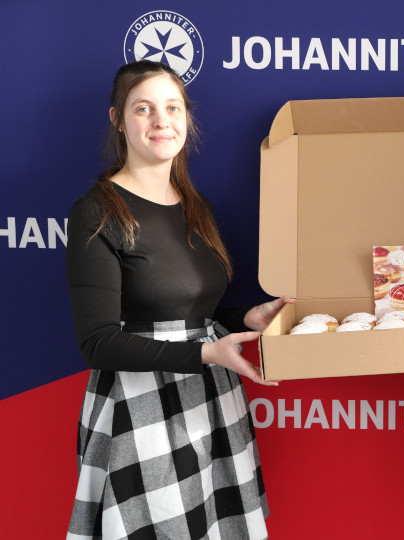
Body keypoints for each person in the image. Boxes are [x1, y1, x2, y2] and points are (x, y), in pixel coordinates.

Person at [65, 60, 292, 540]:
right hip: (139, 406)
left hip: (209, 398)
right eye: (142, 108)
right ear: (118, 120)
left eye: (172, 107)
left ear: (186, 118)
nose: (160, 121)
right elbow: (98, 344)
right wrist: (208, 352)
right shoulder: (98, 210)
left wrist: (242, 318)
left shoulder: (196, 204)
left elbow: (192, 316)